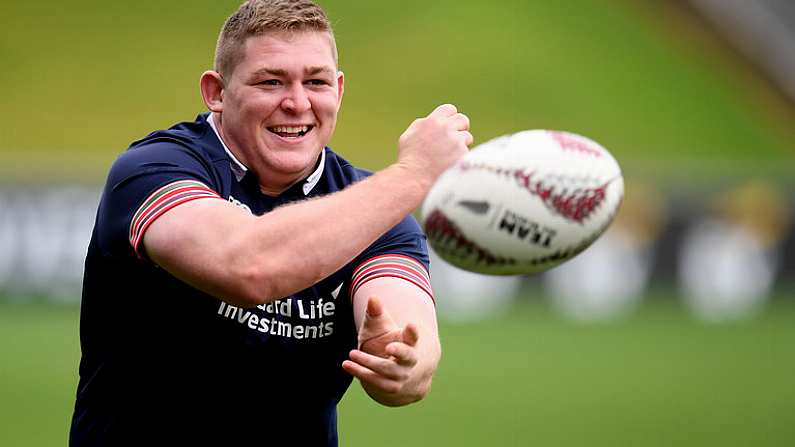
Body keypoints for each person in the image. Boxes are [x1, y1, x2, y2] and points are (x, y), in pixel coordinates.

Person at [69, 0, 472, 445]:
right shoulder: (153, 169)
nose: (297, 103)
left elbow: (412, 338)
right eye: (270, 81)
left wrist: (403, 360)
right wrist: (414, 174)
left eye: (315, 81)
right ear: (216, 93)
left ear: (338, 90)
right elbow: (248, 265)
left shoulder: (378, 212)